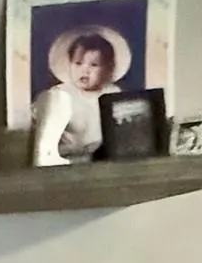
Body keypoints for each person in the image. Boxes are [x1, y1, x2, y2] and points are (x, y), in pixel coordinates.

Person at [30, 26, 129, 162]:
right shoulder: (59, 95)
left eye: (94, 65)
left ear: (108, 68)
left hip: (103, 160)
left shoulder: (113, 94)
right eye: (78, 63)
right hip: (68, 161)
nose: (85, 71)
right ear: (69, 64)